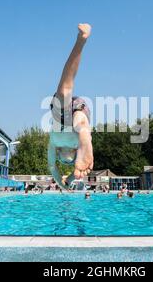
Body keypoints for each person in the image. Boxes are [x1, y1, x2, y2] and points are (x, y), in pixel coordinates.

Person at [48, 24, 94, 190]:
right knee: (65, 90)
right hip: (69, 118)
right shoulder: (54, 144)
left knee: (80, 125)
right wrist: (64, 181)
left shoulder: (55, 144)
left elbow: (53, 168)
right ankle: (80, 41)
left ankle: (84, 132)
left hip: (75, 115)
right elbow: (53, 167)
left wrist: (63, 183)